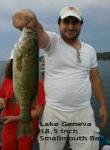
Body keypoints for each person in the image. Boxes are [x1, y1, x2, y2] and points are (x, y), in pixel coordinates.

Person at [11, 6, 107, 150]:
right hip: (53, 112)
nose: (70, 26)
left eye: (75, 22)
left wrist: (103, 105)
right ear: (59, 24)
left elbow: (95, 78)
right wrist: (30, 17)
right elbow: (39, 31)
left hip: (83, 112)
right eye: (66, 22)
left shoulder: (90, 50)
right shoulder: (52, 41)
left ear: (81, 25)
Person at [0, 59, 45, 150]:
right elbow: (0, 97)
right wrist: (0, 101)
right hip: (8, 126)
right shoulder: (6, 81)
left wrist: (15, 118)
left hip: (27, 127)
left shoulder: (37, 84)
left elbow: (38, 111)